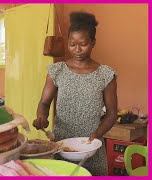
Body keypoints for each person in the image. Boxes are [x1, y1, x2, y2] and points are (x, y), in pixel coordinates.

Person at [33, 12, 118, 176]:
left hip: (92, 146)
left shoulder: (106, 74)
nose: (77, 49)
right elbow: (44, 103)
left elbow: (112, 112)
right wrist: (42, 117)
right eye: (72, 44)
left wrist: (97, 135)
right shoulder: (57, 71)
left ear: (93, 43)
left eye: (83, 44)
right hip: (62, 145)